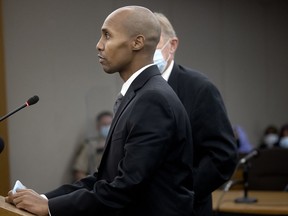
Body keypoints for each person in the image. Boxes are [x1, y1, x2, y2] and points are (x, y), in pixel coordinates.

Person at [6, 6, 195, 216]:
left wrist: (50, 208)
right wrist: (44, 199)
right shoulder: (137, 95)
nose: (99, 45)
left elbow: (126, 188)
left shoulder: (153, 99)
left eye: (107, 35)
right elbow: (104, 178)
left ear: (137, 42)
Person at [153, 12, 238, 216]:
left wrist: (182, 193)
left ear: (172, 45)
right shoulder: (134, 90)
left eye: (153, 43)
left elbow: (222, 156)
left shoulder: (198, 88)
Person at [73, 111, 113, 181]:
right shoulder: (90, 145)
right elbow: (79, 172)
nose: (108, 127)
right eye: (104, 124)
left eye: (110, 124)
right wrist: (93, 188)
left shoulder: (120, 143)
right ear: (97, 127)